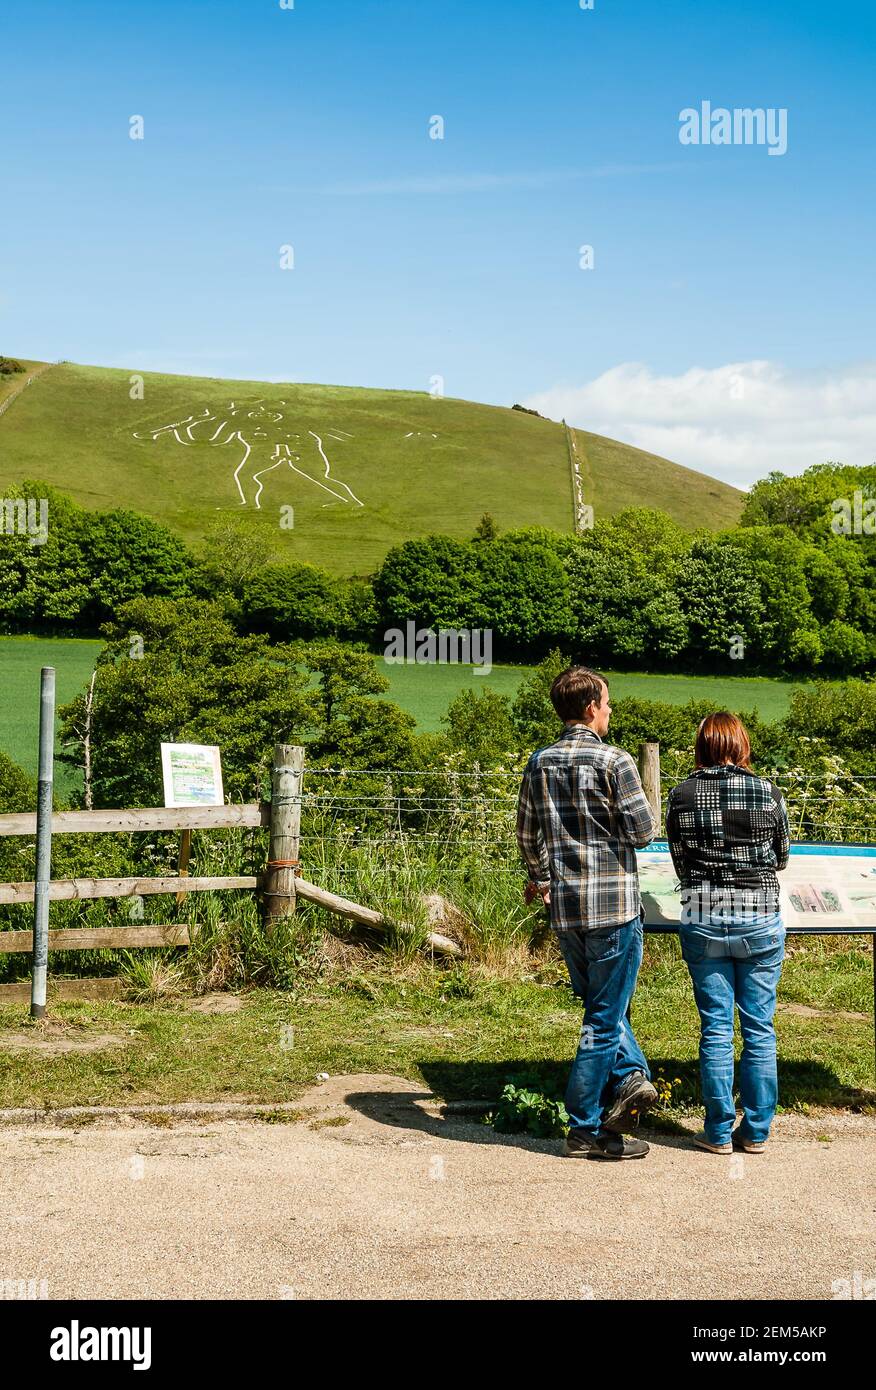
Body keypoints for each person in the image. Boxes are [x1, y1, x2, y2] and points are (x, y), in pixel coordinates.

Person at [516, 667, 658, 1160]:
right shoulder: (615, 761)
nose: (611, 709)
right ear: (592, 707)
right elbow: (643, 831)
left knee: (601, 1007)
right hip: (614, 905)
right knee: (604, 1015)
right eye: (608, 702)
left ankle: (630, 1082)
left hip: (567, 909)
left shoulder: (539, 762)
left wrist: (540, 876)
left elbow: (527, 834)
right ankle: (586, 1127)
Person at [665, 712, 790, 1155]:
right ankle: (756, 1131)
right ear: (741, 745)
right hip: (758, 915)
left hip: (703, 914)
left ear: (702, 746)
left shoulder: (681, 794)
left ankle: (717, 1132)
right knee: (759, 1027)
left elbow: (679, 860)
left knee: (715, 1027)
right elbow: (781, 855)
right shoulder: (768, 791)